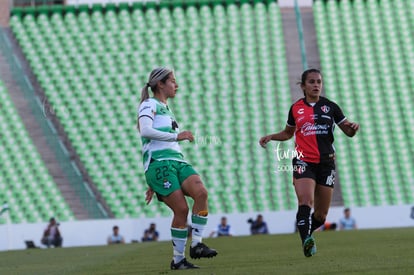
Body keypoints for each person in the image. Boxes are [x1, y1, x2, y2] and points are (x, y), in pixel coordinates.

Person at [259, 69, 359, 257]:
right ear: (303, 86)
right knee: (305, 200)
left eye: (319, 82)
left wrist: (353, 128)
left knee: (321, 215)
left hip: (326, 163)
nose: (316, 85)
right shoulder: (296, 108)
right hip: (303, 160)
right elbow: (288, 133)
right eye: (312, 82)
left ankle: (307, 231)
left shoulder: (331, 107)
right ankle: (306, 240)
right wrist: (271, 136)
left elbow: (348, 132)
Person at [137, 67, 217, 270]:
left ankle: (197, 245)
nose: (177, 85)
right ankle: (178, 260)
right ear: (160, 84)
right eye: (172, 81)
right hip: (159, 163)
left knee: (201, 192)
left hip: (177, 161)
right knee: (181, 209)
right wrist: (176, 136)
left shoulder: (166, 108)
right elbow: (145, 130)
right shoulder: (149, 104)